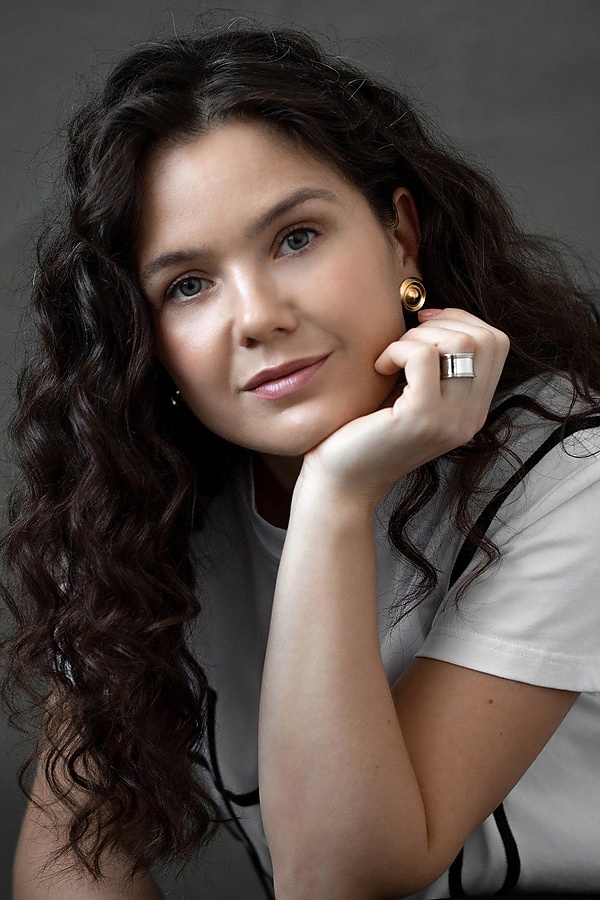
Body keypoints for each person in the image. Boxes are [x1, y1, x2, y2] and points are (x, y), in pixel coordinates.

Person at [3, 23, 600, 900]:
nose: (257, 317)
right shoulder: (138, 517)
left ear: (401, 237)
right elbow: (73, 858)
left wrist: (333, 493)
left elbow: (339, 878)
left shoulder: (574, 476)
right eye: (187, 286)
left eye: (295, 238)